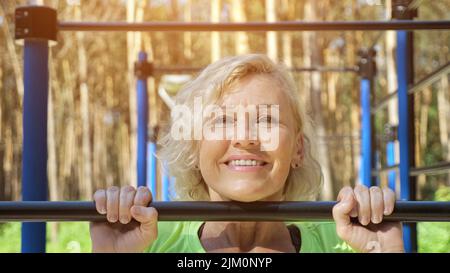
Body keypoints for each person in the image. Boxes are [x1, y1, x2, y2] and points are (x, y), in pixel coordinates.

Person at [90, 54, 404, 253]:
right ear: (195, 145)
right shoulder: (148, 243)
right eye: (222, 121)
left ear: (297, 149)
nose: (245, 138)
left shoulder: (342, 244)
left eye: (267, 120)